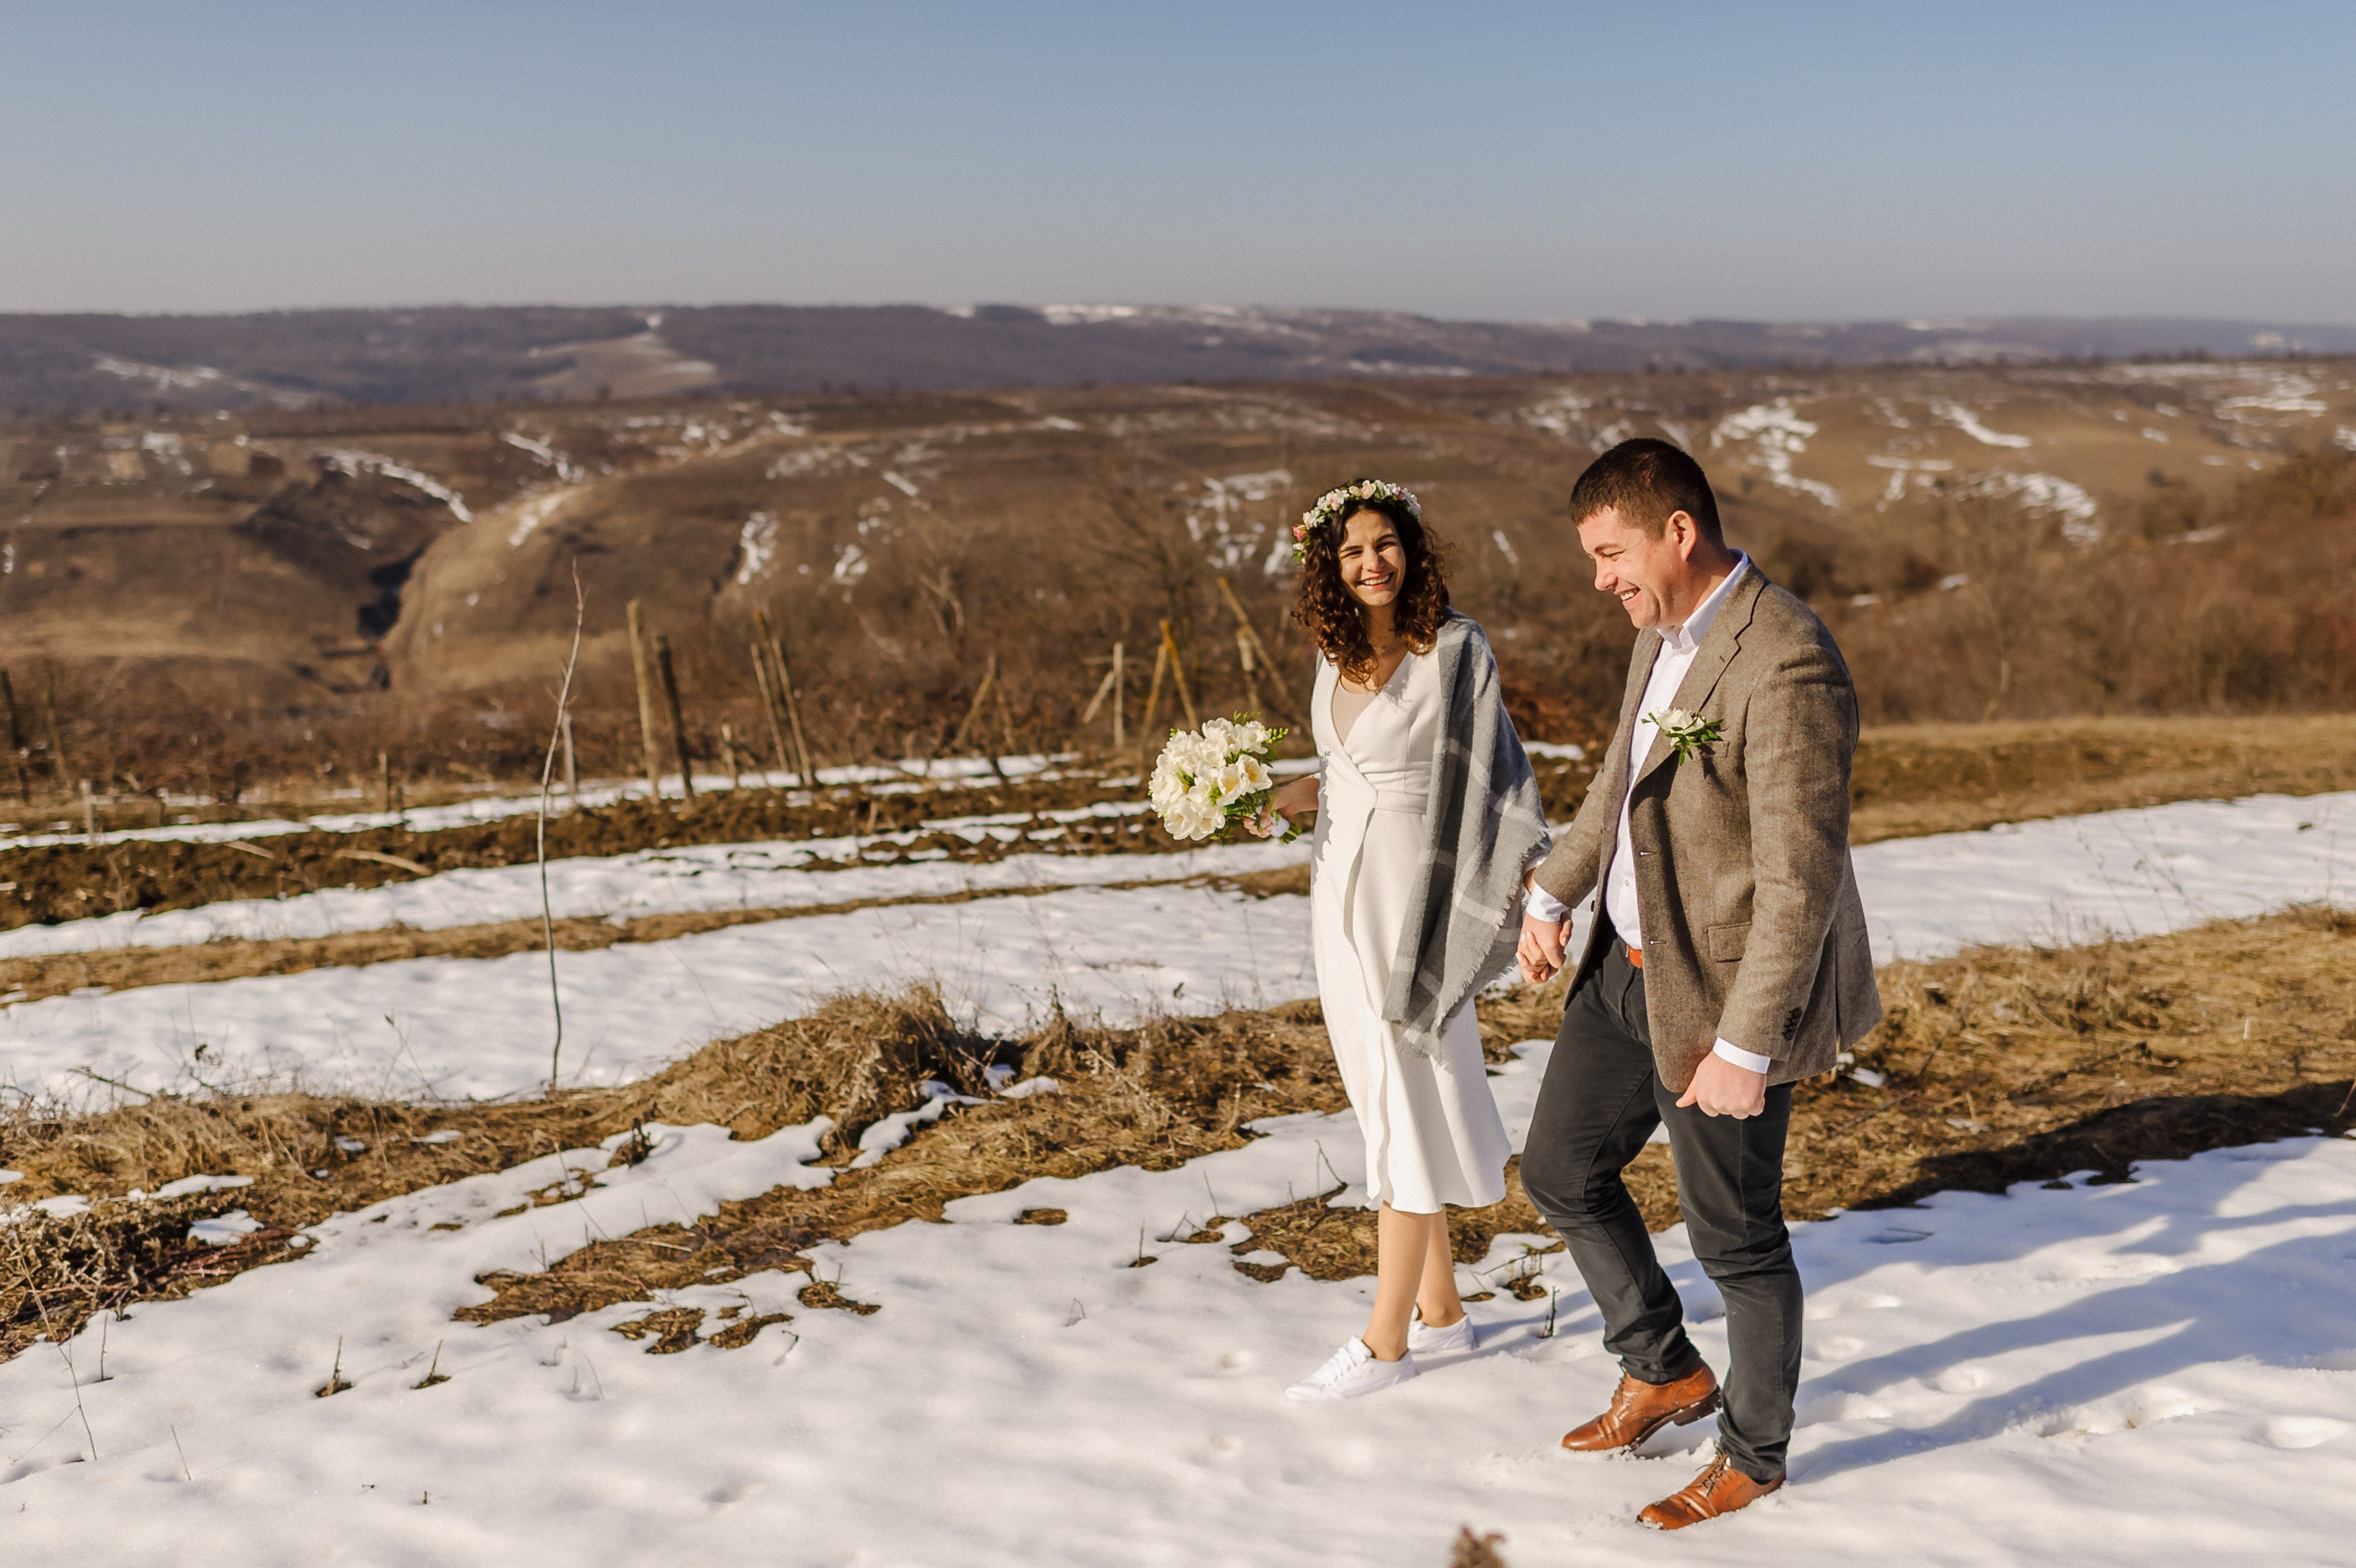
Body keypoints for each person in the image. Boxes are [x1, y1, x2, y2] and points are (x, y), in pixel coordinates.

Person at [1517, 439, 1882, 1529]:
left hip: (1721, 999)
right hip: (1624, 973)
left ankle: (1755, 1453)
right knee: (1558, 1171)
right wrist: (1553, 893)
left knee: (1735, 1239)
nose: (1600, 579)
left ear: (1677, 532)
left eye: (1610, 553)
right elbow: (1617, 780)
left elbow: (1799, 881)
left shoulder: (1787, 660)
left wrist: (1745, 1045)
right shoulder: (1661, 636)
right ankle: (1664, 1367)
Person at [1252, 478, 1552, 1402]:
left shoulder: (1454, 650)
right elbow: (1354, 770)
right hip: (1338, 897)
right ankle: (1445, 1316)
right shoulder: (1332, 655)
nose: (1370, 562)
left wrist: (1536, 888)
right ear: (1328, 569)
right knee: (1382, 1093)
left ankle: (1386, 1344)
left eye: (1384, 544)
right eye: (1350, 551)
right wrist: (1277, 793)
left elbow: (1495, 777)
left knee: (1401, 1090)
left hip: (1414, 900)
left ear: (1411, 552)